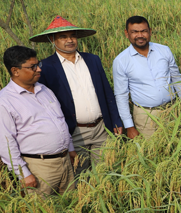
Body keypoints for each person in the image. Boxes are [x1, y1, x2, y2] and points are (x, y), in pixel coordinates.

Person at [33, 16, 123, 177]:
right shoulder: (45, 67)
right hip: (74, 131)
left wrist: (116, 119)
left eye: (73, 36)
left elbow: (107, 92)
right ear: (52, 40)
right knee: (79, 174)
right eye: (63, 37)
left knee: (106, 172)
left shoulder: (92, 60)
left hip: (101, 128)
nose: (70, 40)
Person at [0, 46, 76, 196]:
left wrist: (71, 148)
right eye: (32, 67)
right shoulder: (5, 100)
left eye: (38, 64)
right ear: (15, 71)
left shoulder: (44, 90)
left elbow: (60, 121)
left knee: (71, 207)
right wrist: (23, 174)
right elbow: (6, 142)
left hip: (65, 161)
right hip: (38, 167)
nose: (39, 69)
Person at [113, 16, 181, 139]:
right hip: (145, 117)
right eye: (134, 32)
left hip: (172, 111)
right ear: (126, 33)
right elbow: (121, 95)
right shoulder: (121, 61)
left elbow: (176, 78)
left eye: (143, 31)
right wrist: (129, 127)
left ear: (150, 31)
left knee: (177, 147)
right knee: (152, 153)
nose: (140, 35)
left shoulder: (164, 51)